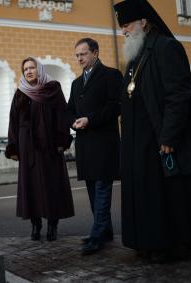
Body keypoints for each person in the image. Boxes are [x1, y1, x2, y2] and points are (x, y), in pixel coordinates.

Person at [113, 0, 191, 262]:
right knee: (147, 196)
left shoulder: (167, 47)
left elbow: (179, 95)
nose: (123, 31)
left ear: (143, 22)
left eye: (126, 25)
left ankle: (171, 246)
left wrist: (169, 137)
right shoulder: (137, 55)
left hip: (161, 139)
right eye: (121, 26)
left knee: (167, 197)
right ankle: (148, 243)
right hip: (137, 143)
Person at [5, 57, 74, 241]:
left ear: (39, 69)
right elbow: (13, 121)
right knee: (31, 187)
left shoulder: (52, 88)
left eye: (32, 68)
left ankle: (53, 224)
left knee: (51, 185)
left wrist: (61, 141)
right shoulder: (20, 92)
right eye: (25, 69)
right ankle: (36, 225)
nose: (28, 71)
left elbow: (62, 115)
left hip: (49, 145)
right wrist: (14, 147)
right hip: (27, 147)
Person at [67, 38, 123, 255]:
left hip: (103, 143)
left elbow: (115, 106)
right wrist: (72, 121)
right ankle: (105, 230)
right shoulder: (76, 83)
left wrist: (89, 119)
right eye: (77, 55)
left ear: (95, 53)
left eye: (83, 54)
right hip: (84, 144)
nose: (80, 58)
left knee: (101, 188)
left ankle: (97, 235)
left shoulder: (110, 75)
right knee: (92, 189)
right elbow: (68, 110)